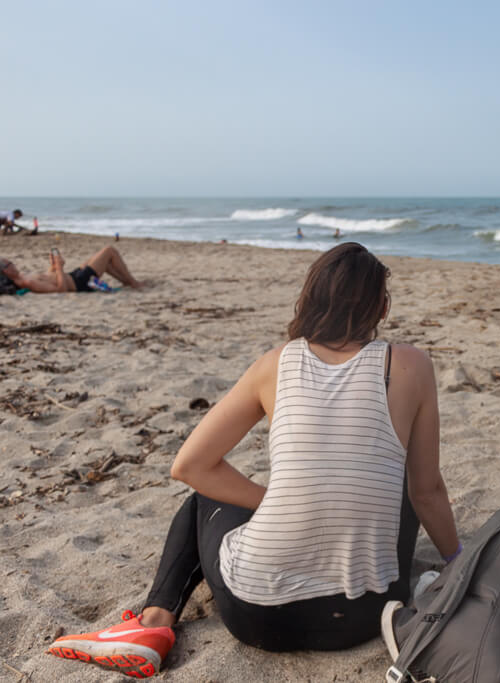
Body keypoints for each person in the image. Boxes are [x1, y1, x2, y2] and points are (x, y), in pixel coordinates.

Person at [46, 242, 461, 678]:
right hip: (362, 618)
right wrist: (457, 564)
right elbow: (427, 490)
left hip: (260, 618)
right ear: (383, 306)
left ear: (311, 297)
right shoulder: (411, 364)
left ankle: (152, 624)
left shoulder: (275, 365)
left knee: (202, 498)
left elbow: (189, 466)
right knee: (404, 478)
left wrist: (269, 500)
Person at [0, 245, 143, 293]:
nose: (13, 264)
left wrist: (53, 265)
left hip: (74, 276)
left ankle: (127, 282)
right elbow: (61, 290)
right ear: (5, 271)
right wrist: (60, 268)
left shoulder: (24, 276)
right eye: (9, 264)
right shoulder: (26, 283)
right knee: (109, 251)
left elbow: (50, 279)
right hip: (79, 282)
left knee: (103, 262)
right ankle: (133, 282)